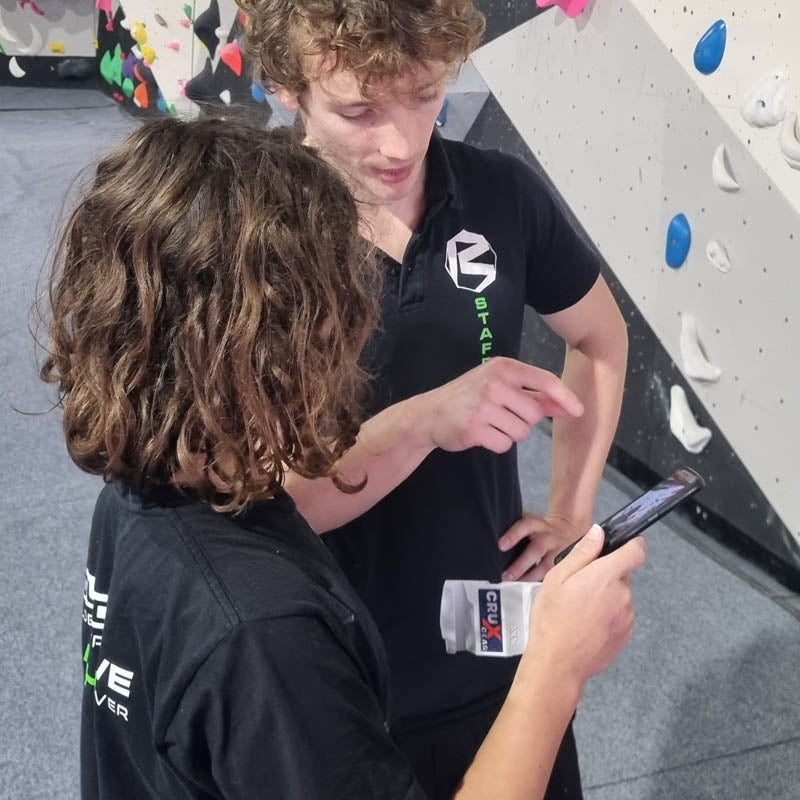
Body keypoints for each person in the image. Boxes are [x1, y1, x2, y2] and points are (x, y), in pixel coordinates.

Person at [39, 117, 644, 800]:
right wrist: (556, 668)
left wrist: (425, 429)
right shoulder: (269, 641)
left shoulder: (134, 500)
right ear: (279, 353)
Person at [237, 1, 631, 797]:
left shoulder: (501, 194)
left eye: (425, 96)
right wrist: (421, 423)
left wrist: (571, 511)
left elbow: (602, 340)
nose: (401, 143)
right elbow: (254, 500)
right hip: (327, 669)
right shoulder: (247, 234)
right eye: (359, 109)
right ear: (286, 86)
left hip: (496, 646)